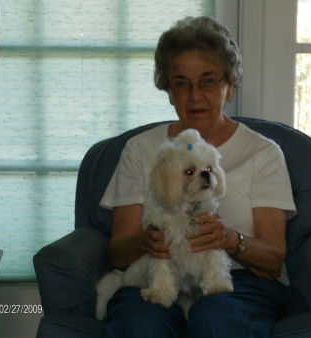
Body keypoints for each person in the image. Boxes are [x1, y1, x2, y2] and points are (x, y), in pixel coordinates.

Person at [100, 16, 296, 338]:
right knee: (140, 324)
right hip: (157, 273)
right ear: (168, 90)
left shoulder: (263, 153)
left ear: (229, 85)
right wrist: (146, 241)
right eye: (181, 83)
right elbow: (118, 253)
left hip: (240, 279)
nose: (194, 96)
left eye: (208, 81)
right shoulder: (140, 150)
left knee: (217, 320)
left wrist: (231, 240)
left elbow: (274, 260)